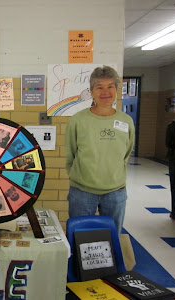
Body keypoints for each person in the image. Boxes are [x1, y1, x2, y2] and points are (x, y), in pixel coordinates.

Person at [65, 66, 135, 236]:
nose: (105, 92)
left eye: (110, 86)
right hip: (82, 192)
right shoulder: (78, 120)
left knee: (112, 239)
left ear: (117, 89)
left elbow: (126, 152)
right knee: (79, 238)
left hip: (115, 192)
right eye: (99, 87)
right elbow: (71, 154)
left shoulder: (126, 121)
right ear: (91, 91)